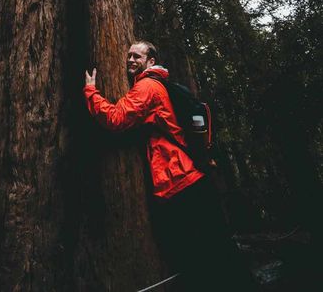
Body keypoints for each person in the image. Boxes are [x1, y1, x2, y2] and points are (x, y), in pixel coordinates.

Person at [84, 40, 258, 292]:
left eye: (137, 56)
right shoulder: (160, 85)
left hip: (181, 185)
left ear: (151, 62)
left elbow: (115, 118)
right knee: (219, 256)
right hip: (190, 180)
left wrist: (91, 91)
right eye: (129, 56)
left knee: (204, 262)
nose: (130, 60)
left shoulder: (147, 87)